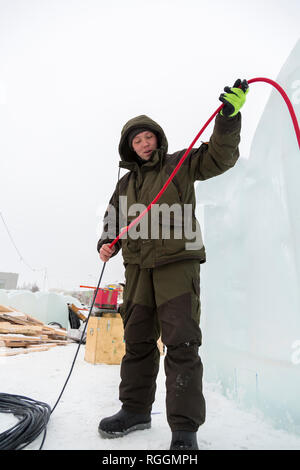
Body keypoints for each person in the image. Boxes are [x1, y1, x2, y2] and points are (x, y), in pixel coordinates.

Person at [96, 79, 249, 450]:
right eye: (137, 140)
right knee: (137, 342)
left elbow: (219, 157)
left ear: (158, 139)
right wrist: (105, 242)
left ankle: (184, 428)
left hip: (176, 265)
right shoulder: (124, 186)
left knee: (181, 343)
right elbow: (112, 220)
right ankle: (133, 410)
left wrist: (229, 117)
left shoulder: (180, 164)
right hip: (136, 270)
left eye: (148, 137)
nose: (144, 143)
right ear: (128, 148)